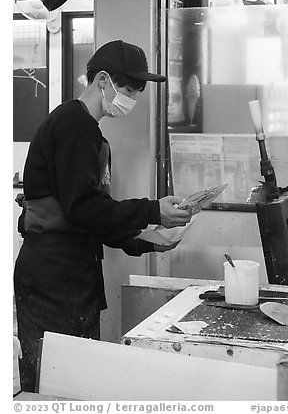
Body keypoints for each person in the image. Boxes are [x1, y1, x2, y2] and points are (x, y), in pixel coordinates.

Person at [14, 39, 192, 392]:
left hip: (74, 271)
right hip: (53, 274)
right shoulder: (72, 126)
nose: (132, 99)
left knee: (76, 378)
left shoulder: (91, 135)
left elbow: (94, 213)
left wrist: (145, 239)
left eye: (137, 92)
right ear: (103, 81)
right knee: (55, 382)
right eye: (128, 89)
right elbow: (82, 208)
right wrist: (153, 209)